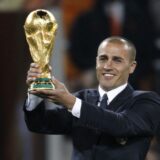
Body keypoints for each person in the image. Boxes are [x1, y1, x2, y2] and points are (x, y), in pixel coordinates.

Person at [24, 36, 160, 160]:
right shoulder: (83, 98)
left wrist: (72, 103)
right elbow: (40, 124)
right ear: (96, 62)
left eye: (117, 60)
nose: (107, 66)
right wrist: (35, 92)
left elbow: (122, 125)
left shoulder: (146, 101)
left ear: (132, 67)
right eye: (103, 59)